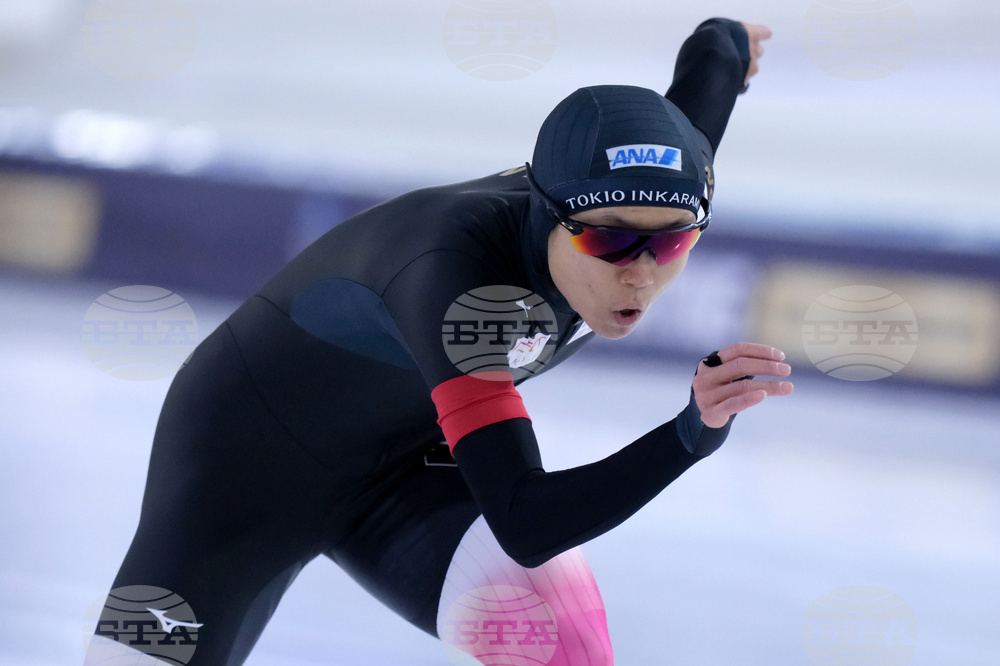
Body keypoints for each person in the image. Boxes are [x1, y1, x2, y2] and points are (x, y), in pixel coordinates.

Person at [86, 17, 789, 666]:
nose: (640, 273)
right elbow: (526, 522)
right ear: (548, 211)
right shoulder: (461, 283)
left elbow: (708, 73)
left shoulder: (667, 175)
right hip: (244, 471)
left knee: (564, 648)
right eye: (609, 239)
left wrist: (726, 42)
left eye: (672, 245)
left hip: (404, 465)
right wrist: (690, 434)